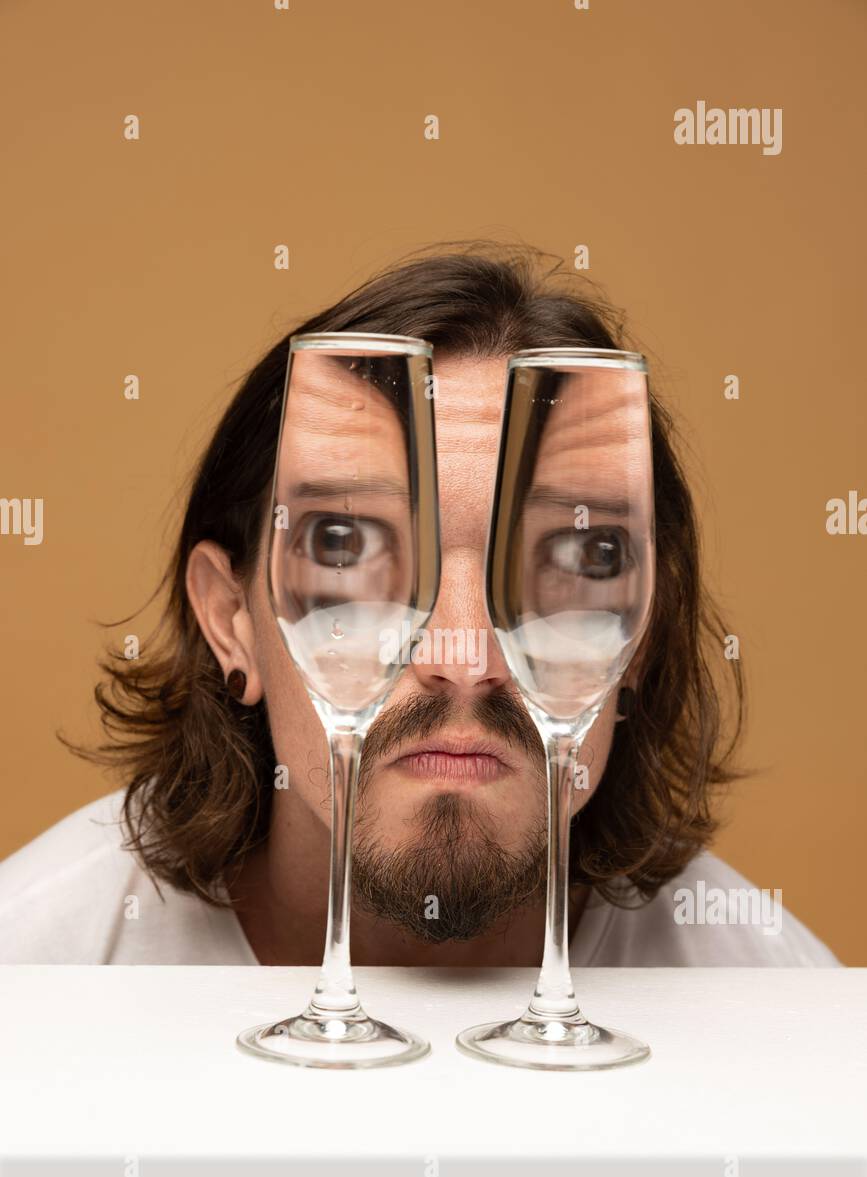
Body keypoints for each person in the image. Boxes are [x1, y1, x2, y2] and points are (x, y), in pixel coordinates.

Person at [0, 243, 839, 967]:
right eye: (346, 545)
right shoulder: (36, 970)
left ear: (641, 637)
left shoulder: (777, 1011)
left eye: (580, 554)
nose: (464, 660)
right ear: (231, 621)